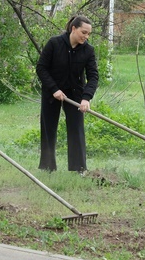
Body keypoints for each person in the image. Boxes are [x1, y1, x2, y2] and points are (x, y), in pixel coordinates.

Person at [36, 15, 99, 173]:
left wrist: (86, 98)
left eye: (88, 34)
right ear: (73, 29)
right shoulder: (54, 43)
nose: (86, 36)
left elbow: (93, 76)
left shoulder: (88, 50)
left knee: (76, 129)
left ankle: (79, 168)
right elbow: (41, 68)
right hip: (52, 93)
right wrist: (54, 89)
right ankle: (47, 167)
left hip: (75, 94)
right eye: (84, 32)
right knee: (48, 128)